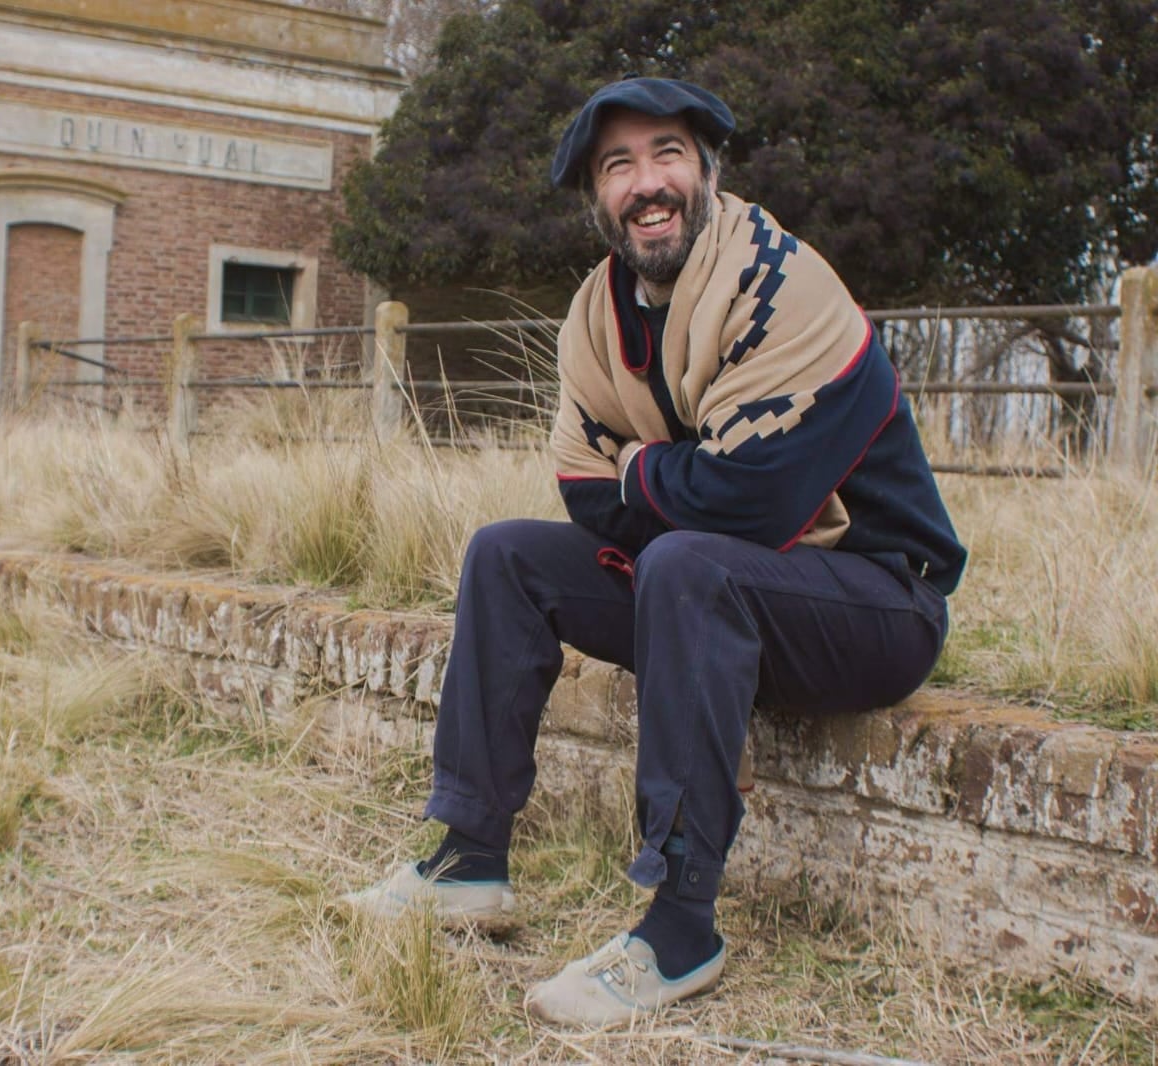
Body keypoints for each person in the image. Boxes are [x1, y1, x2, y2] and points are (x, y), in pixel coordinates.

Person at [343, 76, 967, 1029]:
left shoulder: (782, 282)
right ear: (597, 197)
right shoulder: (597, 318)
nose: (648, 182)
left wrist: (641, 468)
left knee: (689, 565)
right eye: (618, 165)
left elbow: (753, 500)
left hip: (879, 601)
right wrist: (677, 478)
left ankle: (681, 930)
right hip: (719, 596)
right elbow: (582, 491)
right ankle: (469, 859)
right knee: (507, 556)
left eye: (668, 153)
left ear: (708, 171)